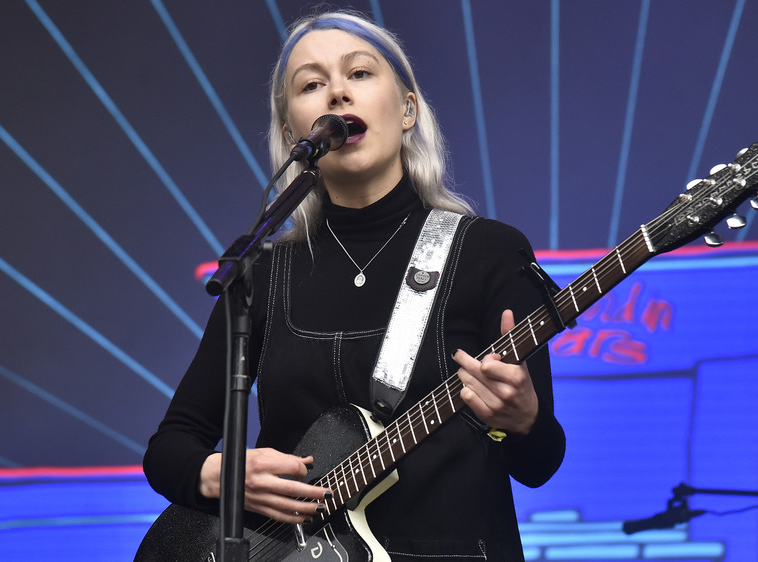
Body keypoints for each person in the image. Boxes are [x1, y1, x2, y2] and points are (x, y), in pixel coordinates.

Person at [143, 10, 565, 560]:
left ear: (408, 109)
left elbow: (540, 464)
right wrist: (219, 473)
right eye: (311, 85)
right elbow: (169, 447)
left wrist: (523, 420)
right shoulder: (265, 270)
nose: (337, 94)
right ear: (294, 132)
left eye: (360, 74)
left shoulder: (488, 251)